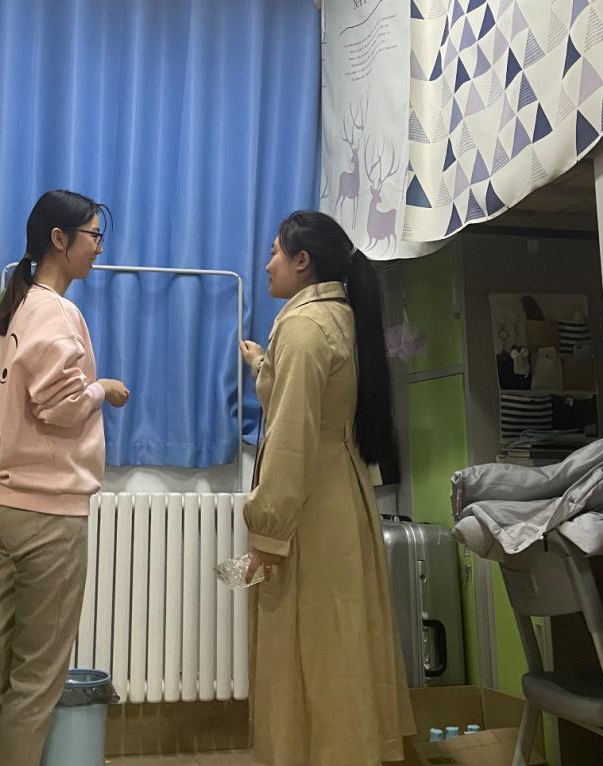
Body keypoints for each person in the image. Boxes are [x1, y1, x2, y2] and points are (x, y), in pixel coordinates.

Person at [239, 210, 415, 765]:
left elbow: (292, 436)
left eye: (274, 252)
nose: (267, 265)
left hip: (310, 504)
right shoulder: (338, 318)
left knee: (310, 648)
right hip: (341, 492)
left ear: (302, 260)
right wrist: (265, 366)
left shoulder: (304, 328)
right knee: (341, 642)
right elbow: (313, 403)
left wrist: (266, 532)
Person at [0, 190, 129, 766]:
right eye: (93, 236)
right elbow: (61, 406)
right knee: (38, 678)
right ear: (59, 240)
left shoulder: (16, 305)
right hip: (48, 511)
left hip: (10, 503)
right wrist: (101, 389)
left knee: (2, 667)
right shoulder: (55, 310)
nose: (99, 249)